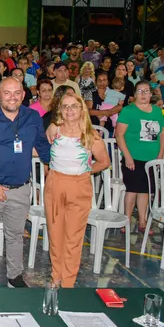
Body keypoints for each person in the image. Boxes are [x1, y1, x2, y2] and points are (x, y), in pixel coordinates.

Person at [0, 77, 51, 288]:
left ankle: (15, 275)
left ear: (23, 95)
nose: (12, 97)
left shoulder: (32, 117)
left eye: (17, 93)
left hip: (21, 188)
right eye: (7, 93)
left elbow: (42, 146)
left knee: (15, 235)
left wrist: (53, 167)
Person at [44, 93, 109, 287]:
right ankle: (56, 276)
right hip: (55, 184)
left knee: (73, 238)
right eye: (65, 106)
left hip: (79, 187)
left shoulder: (91, 135)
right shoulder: (54, 129)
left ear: (82, 109)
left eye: (74, 106)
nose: (69, 110)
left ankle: (68, 282)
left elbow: (104, 162)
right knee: (55, 235)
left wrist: (86, 171)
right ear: (60, 110)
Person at [114, 81, 164, 235]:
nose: (143, 94)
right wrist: (128, 157)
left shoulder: (157, 111)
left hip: (151, 159)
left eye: (146, 91)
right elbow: (119, 134)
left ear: (151, 94)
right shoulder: (128, 111)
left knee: (145, 190)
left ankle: (143, 221)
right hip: (133, 157)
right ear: (134, 94)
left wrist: (160, 154)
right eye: (140, 91)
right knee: (132, 190)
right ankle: (127, 221)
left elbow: (162, 134)